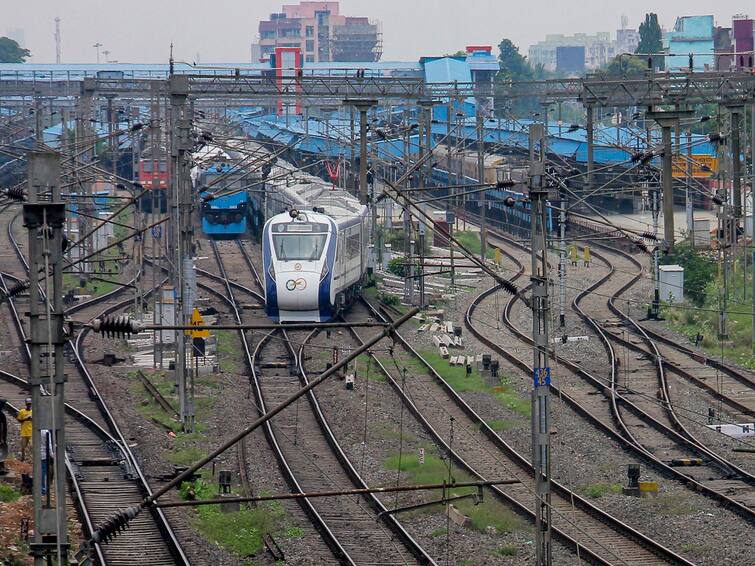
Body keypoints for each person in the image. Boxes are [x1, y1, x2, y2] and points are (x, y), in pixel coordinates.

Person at [16, 398, 32, 462]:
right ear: (26, 404)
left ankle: (30, 459)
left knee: (31, 447)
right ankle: (23, 458)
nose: (29, 405)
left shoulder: (33, 412)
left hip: (31, 432)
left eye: (30, 404)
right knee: (23, 447)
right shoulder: (22, 411)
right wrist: (25, 419)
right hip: (24, 432)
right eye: (28, 404)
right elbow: (19, 420)